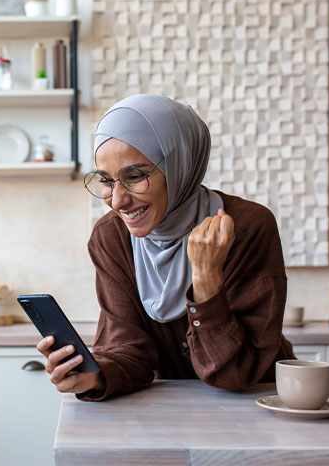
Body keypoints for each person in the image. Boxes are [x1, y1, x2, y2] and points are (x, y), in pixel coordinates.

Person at [37, 94, 295, 401]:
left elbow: (235, 374)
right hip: (164, 406)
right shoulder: (111, 237)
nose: (117, 201)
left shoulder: (248, 227)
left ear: (178, 165)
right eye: (106, 180)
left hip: (258, 402)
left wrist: (207, 278)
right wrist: (95, 376)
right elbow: (128, 352)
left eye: (135, 177)